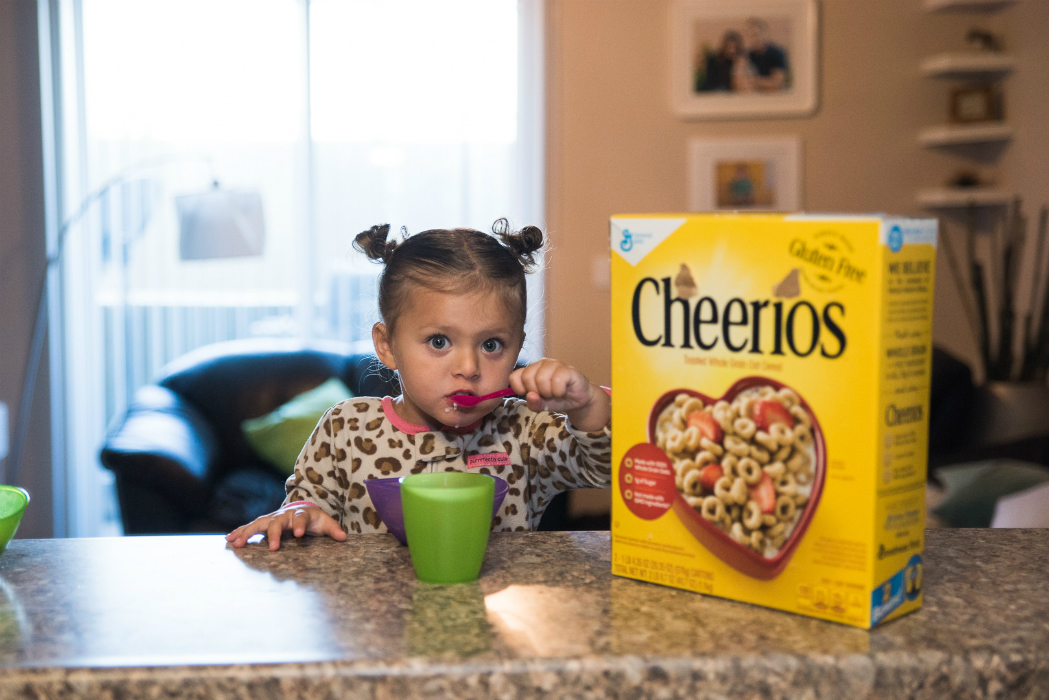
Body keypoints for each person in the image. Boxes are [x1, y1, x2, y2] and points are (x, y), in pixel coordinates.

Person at [227, 220, 612, 550]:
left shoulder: (526, 431)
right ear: (387, 345)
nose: (468, 368)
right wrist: (297, 516)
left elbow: (605, 467)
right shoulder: (345, 431)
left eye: (491, 345)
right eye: (439, 342)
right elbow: (305, 507)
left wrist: (587, 405)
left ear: (518, 347)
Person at [743, 17, 788, 92]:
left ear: (764, 33)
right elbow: (741, 82)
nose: (754, 39)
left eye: (755, 34)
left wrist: (753, 81)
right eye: (749, 35)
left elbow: (777, 84)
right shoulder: (747, 55)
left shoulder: (777, 53)